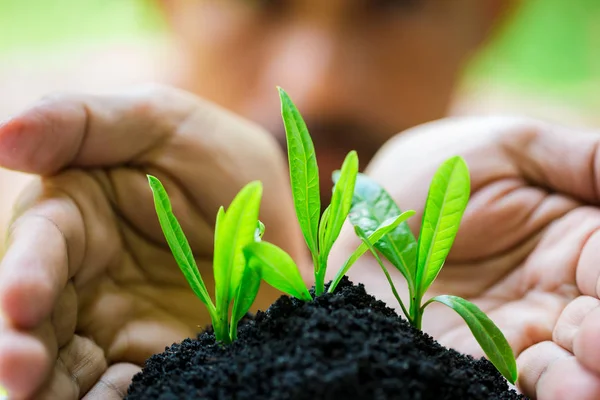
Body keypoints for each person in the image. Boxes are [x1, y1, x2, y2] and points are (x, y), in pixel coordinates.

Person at [0, 1, 598, 399]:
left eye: (393, 2)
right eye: (264, 1)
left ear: (494, 13)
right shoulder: (38, 191)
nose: (318, 84)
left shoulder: (560, 209)